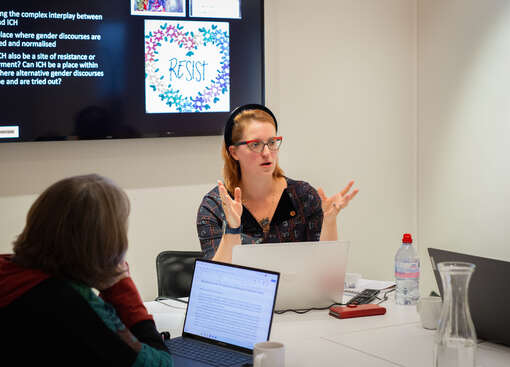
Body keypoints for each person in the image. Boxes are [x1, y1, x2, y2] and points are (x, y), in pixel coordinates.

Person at [0, 174, 172, 367]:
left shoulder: (9, 272)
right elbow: (161, 364)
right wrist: (121, 286)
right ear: (105, 243)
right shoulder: (69, 305)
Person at [197, 104, 358, 262]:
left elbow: (326, 271)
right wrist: (232, 229)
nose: (267, 153)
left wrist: (329, 222)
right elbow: (217, 278)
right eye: (255, 144)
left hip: (297, 289)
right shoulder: (215, 206)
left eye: (272, 142)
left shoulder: (303, 196)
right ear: (234, 152)